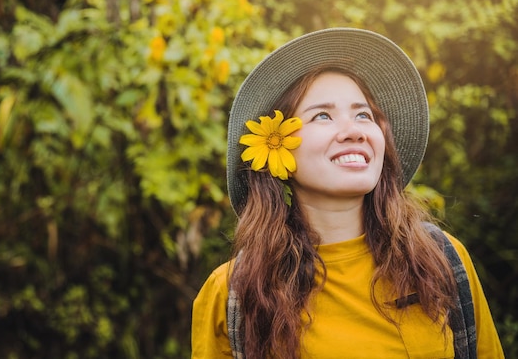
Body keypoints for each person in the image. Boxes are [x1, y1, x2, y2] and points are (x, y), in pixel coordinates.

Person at [191, 28, 504, 359]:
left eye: (363, 115)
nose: (354, 131)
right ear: (277, 149)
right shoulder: (233, 293)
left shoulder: (441, 258)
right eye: (323, 115)